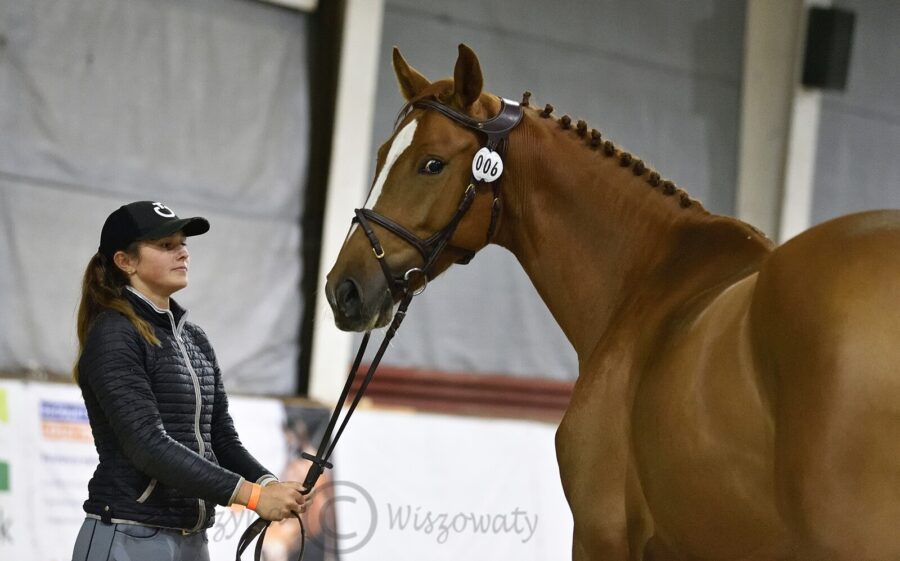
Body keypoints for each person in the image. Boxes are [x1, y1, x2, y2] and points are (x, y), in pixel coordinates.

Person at [71, 201, 307, 561]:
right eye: (166, 245)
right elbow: (147, 445)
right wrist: (253, 497)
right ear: (125, 261)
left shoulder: (194, 339)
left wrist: (268, 484)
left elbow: (222, 439)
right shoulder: (114, 334)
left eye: (183, 244)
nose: (182, 253)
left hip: (191, 541)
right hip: (128, 536)